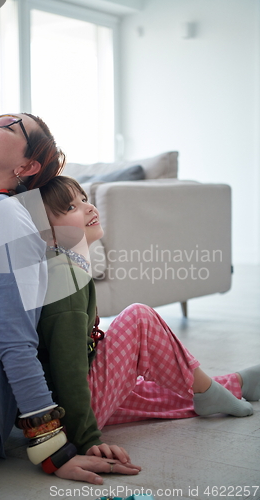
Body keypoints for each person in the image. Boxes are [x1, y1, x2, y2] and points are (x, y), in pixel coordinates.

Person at [0, 114, 140, 483]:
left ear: (27, 165)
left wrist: (52, 447)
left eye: (10, 125)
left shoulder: (4, 215)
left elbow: (16, 340)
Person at [37, 175, 260, 479]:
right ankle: (208, 389)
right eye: (71, 207)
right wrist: (87, 439)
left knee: (147, 393)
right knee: (138, 317)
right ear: (49, 236)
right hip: (69, 415)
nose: (89, 208)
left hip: (68, 409)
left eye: (85, 199)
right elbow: (68, 370)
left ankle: (233, 385)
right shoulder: (65, 276)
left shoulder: (69, 268)